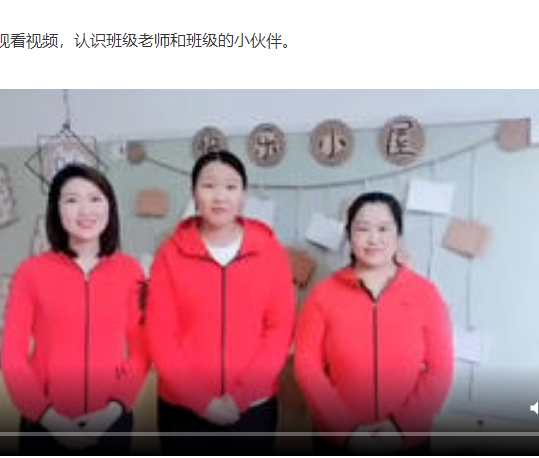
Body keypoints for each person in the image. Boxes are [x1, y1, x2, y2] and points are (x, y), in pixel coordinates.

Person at [146, 150, 296, 455]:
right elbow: (160, 335)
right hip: (183, 409)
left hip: (253, 407)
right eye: (209, 185)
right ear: (194, 194)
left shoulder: (270, 251)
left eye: (230, 186)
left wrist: (242, 396)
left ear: (243, 195)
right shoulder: (170, 254)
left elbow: (279, 330)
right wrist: (201, 401)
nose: (220, 196)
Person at [1, 164, 149, 454]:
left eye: (95, 198)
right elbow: (12, 358)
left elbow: (142, 351)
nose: (85, 210)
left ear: (109, 206)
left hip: (111, 420)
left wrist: (112, 411)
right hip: (44, 422)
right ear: (56, 209)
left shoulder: (131, 271)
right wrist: (50, 420)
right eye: (72, 200)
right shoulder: (30, 273)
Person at [295, 191, 454, 455]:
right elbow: (307, 367)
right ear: (349, 235)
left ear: (398, 235)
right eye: (362, 228)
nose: (373, 239)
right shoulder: (323, 295)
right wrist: (347, 430)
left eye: (383, 229)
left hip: (405, 439)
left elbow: (441, 369)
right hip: (338, 439)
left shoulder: (425, 294)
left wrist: (400, 426)